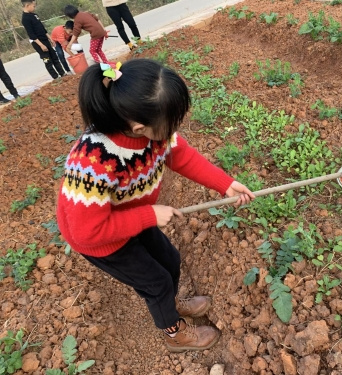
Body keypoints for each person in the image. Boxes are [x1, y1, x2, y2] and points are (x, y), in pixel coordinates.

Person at [56, 59, 255, 352]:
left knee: (170, 260)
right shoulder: (93, 162)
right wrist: (148, 214)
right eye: (172, 122)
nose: (176, 128)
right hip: (100, 239)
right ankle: (173, 332)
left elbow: (182, 156)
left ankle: (170, 304)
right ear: (139, 126)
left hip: (131, 216)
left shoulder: (152, 133)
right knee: (156, 282)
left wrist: (225, 184)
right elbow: (88, 231)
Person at [21, 0, 66, 80]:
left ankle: (62, 73)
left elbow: (42, 28)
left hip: (45, 39)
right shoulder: (25, 19)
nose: (34, 8)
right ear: (27, 5)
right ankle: (55, 77)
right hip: (38, 42)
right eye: (33, 6)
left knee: (54, 57)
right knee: (47, 60)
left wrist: (50, 38)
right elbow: (31, 34)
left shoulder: (34, 15)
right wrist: (41, 45)